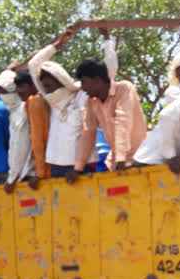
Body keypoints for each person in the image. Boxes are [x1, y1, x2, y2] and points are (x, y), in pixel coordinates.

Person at [27, 27, 117, 179]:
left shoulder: (82, 94)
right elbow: (33, 65)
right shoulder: (50, 100)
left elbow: (109, 71)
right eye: (44, 87)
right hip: (57, 167)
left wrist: (107, 39)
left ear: (61, 81)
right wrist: (57, 44)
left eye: (49, 86)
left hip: (83, 167)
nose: (47, 91)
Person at [73, 57, 147, 176]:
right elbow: (88, 132)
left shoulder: (124, 89)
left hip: (140, 158)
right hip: (115, 163)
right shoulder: (92, 101)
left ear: (97, 80)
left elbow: (122, 122)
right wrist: (78, 168)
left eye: (84, 82)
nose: (82, 87)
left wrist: (120, 159)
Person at [0, 70, 37, 193]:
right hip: (23, 175)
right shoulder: (15, 113)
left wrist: (12, 178)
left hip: (26, 175)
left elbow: (21, 147)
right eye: (1, 92)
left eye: (5, 91)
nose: (3, 96)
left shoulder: (22, 113)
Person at [14, 68, 51, 183]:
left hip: (48, 169)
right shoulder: (31, 103)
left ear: (33, 86)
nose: (18, 91)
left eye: (22, 87)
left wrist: (40, 174)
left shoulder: (35, 102)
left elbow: (38, 140)